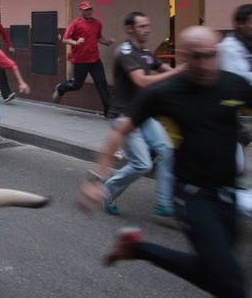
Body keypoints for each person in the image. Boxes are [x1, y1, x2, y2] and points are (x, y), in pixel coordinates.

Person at [78, 26, 250, 298]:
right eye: (197, 57)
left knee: (217, 273)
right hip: (193, 198)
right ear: (183, 56)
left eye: (211, 55)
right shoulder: (166, 93)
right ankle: (140, 249)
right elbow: (120, 130)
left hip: (229, 195)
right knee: (232, 285)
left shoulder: (233, 84)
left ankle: (138, 248)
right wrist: (96, 179)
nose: (206, 65)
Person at [102, 12, 185, 217]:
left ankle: (165, 204)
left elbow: (163, 68)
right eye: (142, 26)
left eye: (148, 26)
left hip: (143, 114)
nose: (147, 30)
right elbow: (141, 80)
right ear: (129, 29)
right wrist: (175, 73)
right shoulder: (126, 51)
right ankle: (108, 191)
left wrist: (183, 78)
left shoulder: (145, 51)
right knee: (142, 164)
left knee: (167, 151)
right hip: (123, 117)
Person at [53, 1, 115, 116]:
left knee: (102, 83)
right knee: (77, 85)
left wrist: (107, 43)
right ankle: (61, 88)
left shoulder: (97, 23)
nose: (88, 12)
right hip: (80, 60)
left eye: (90, 9)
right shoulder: (75, 24)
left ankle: (109, 111)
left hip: (95, 59)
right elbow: (65, 39)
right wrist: (76, 42)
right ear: (80, 11)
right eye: (86, 10)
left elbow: (98, 37)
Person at [219, 3, 252, 172]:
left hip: (244, 110)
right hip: (231, 110)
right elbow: (237, 80)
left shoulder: (247, 45)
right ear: (239, 24)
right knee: (237, 166)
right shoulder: (228, 48)